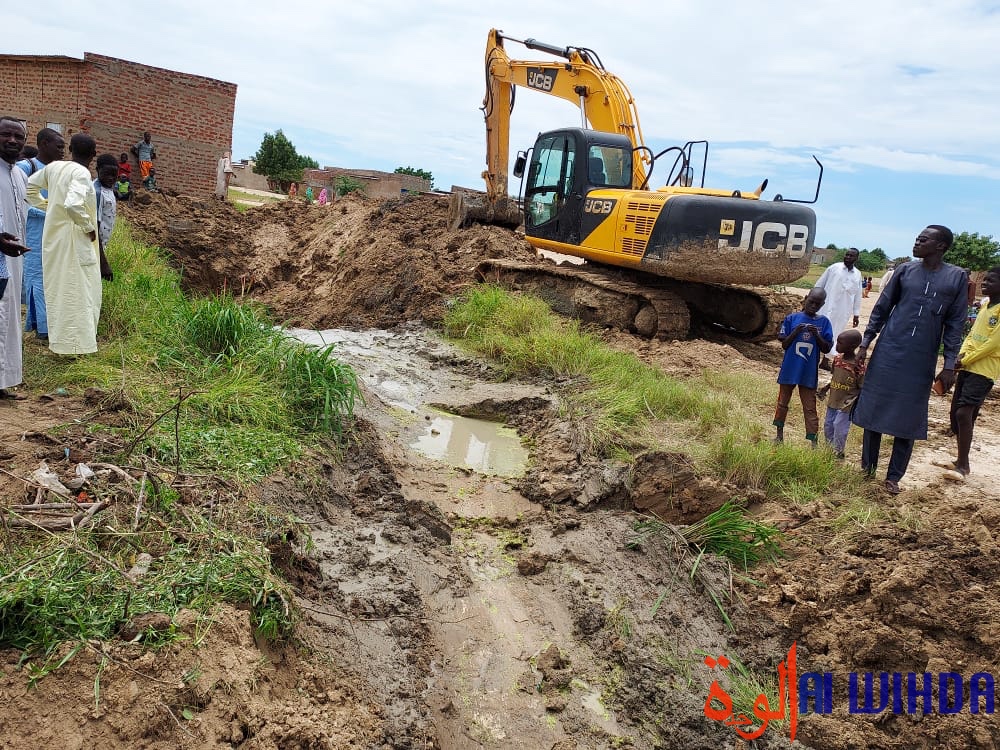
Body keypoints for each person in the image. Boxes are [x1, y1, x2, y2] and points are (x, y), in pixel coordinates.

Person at [851, 225, 968, 495]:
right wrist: (866, 344)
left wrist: (949, 365)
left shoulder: (956, 277)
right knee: (874, 410)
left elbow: (955, 323)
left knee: (909, 417)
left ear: (940, 246)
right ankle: (867, 469)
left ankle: (894, 477)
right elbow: (882, 308)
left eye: (923, 239)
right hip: (889, 350)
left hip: (921, 358)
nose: (917, 242)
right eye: (917, 238)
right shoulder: (905, 270)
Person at [25, 133, 103, 356]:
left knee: (58, 289)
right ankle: (77, 346)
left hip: (53, 240)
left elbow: (29, 188)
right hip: (74, 240)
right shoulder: (81, 172)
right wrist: (88, 227)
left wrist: (47, 206)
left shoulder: (55, 168)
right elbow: (72, 205)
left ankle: (60, 342)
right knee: (79, 291)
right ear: (93, 154)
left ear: (70, 149)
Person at [932, 267, 1000, 482]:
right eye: (985, 279)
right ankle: (961, 460)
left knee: (964, 414)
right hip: (968, 367)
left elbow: (993, 344)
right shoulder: (986, 305)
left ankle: (963, 466)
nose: (984, 283)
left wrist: (965, 360)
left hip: (984, 369)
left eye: (991, 280)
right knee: (956, 414)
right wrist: (960, 356)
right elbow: (973, 335)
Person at [16, 128, 66, 342]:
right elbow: (19, 201)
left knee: (50, 278)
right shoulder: (26, 167)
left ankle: (42, 323)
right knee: (37, 277)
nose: (63, 151)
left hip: (53, 232)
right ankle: (42, 329)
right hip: (34, 232)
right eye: (59, 146)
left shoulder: (57, 170)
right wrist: (49, 211)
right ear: (44, 144)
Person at [773, 287, 833, 446]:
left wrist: (816, 334)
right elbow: (784, 344)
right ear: (806, 298)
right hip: (790, 369)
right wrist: (796, 331)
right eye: (811, 302)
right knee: (782, 402)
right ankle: (779, 435)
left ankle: (813, 441)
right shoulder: (792, 318)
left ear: (822, 304)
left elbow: (826, 348)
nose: (813, 306)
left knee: (810, 407)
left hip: (808, 372)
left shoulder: (824, 322)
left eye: (817, 304)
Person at [0, 116, 29, 400]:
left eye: (18, 137)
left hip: (13, 261)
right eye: (6, 135)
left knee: (8, 320)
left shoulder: (20, 175)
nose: (12, 140)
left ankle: (3, 381)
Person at [818, 329, 865, 459]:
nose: (836, 345)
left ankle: (838, 452)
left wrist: (859, 403)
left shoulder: (858, 366)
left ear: (851, 346)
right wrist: (826, 388)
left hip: (847, 403)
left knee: (839, 426)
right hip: (834, 399)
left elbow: (862, 386)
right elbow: (835, 377)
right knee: (828, 425)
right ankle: (829, 450)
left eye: (840, 343)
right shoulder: (837, 360)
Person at [814, 248, 862, 336]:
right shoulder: (834, 268)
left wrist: (856, 314)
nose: (848, 257)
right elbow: (819, 285)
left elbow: (858, 296)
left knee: (835, 334)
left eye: (851, 256)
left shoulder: (858, 274)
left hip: (843, 312)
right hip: (826, 307)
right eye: (847, 255)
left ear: (856, 258)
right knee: (819, 332)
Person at [93, 154, 117, 280]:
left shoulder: (108, 189)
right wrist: (104, 264)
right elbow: (94, 229)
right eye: (107, 174)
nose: (111, 178)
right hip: (93, 247)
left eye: (114, 175)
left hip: (99, 248)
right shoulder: (97, 193)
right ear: (97, 170)